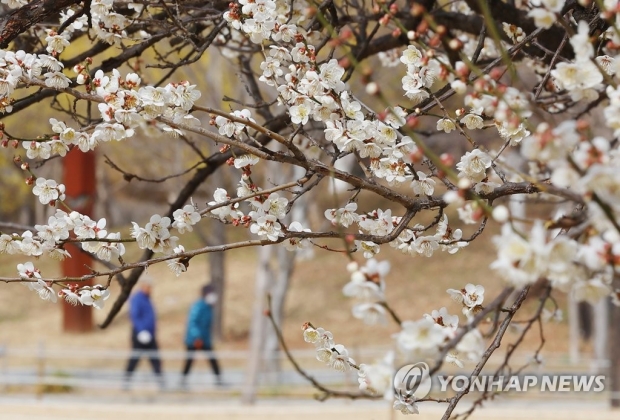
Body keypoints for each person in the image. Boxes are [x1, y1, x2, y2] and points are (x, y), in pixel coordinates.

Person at [124, 276, 164, 389]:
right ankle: (126, 381)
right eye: (149, 287)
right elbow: (135, 316)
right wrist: (141, 331)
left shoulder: (147, 298)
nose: (151, 289)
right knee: (135, 358)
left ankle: (161, 383)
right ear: (143, 286)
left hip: (150, 334)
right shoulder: (137, 298)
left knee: (155, 359)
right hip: (140, 334)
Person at [180, 284, 222, 388]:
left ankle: (218, 379)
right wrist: (197, 337)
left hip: (205, 339)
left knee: (212, 359)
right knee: (189, 359)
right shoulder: (198, 306)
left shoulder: (209, 307)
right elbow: (193, 322)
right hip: (194, 339)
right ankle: (183, 381)